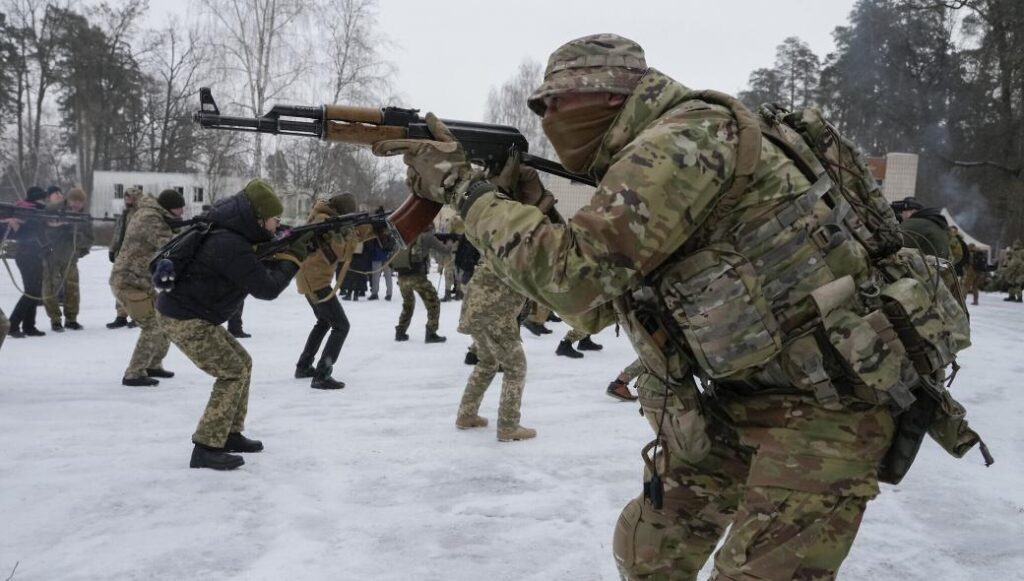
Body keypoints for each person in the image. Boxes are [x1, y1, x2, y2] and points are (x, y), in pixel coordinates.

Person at [373, 33, 975, 580]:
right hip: (733, 399)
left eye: (554, 103)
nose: (545, 119)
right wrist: (532, 210)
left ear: (609, 96)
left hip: (826, 405)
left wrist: (461, 187)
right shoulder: (648, 154)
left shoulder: (684, 141)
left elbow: (575, 279)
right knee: (650, 553)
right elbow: (593, 306)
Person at [156, 179, 304, 470]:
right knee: (232, 372)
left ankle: (230, 433)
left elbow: (257, 263)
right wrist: (294, 257)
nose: (277, 225)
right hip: (185, 318)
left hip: (192, 313)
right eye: (275, 220)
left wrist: (284, 245)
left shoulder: (234, 233)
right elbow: (266, 288)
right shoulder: (230, 243)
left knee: (242, 363)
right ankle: (207, 446)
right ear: (260, 218)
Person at [294, 193, 373, 390]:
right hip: (316, 280)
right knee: (341, 326)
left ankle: (304, 366)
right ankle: (322, 374)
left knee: (324, 321)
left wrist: (365, 229)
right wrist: (356, 233)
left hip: (309, 277)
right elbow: (344, 252)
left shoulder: (321, 217)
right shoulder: (326, 223)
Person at [455, 263, 535, 441]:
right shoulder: (519, 252)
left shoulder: (497, 247)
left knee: (487, 362)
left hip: (475, 314)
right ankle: (509, 426)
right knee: (516, 368)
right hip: (495, 317)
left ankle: (466, 414)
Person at [110, 189, 181, 386]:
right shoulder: (151, 218)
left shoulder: (154, 214)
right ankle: (133, 373)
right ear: (168, 208)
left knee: (165, 317)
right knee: (152, 326)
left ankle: (153, 364)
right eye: (179, 209)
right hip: (128, 282)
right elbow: (170, 244)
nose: (182, 213)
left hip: (141, 281)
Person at [42, 187, 93, 331]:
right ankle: (55, 320)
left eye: (80, 201)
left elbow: (90, 238)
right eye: (74, 201)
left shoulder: (84, 217)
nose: (77, 204)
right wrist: (58, 227)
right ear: (67, 200)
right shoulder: (53, 209)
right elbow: (42, 227)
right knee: (50, 287)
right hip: (51, 253)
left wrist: (76, 239)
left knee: (72, 288)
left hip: (70, 256)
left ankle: (71, 319)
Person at [6, 186, 51, 338]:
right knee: (31, 291)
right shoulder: (27, 211)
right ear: (36, 199)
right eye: (42, 198)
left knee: (35, 291)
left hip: (35, 255)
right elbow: (25, 234)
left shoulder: (36, 212)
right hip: (26, 256)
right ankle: (12, 325)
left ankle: (29, 326)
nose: (44, 201)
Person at [392, 227, 450, 343]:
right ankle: (431, 333)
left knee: (408, 304)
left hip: (402, 276)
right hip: (417, 276)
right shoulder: (427, 237)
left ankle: (400, 332)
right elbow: (444, 250)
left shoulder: (405, 235)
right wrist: (449, 242)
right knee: (433, 302)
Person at [107, 187, 142, 329]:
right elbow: (118, 234)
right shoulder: (124, 214)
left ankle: (138, 316)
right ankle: (121, 315)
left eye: (130, 197)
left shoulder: (141, 215)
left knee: (134, 287)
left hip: (135, 256)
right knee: (119, 285)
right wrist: (112, 249)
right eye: (126, 197)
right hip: (121, 255)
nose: (127, 199)